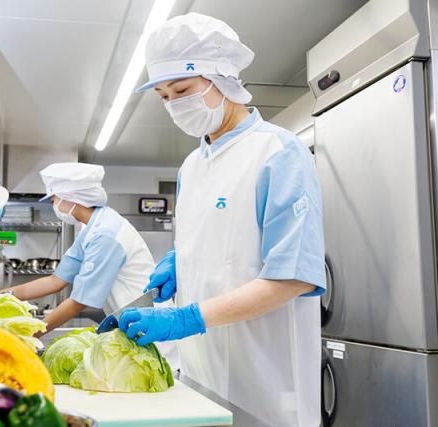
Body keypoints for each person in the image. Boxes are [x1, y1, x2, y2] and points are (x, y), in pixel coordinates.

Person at [117, 13, 326, 427]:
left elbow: (294, 278)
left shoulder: (278, 153)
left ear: (223, 78)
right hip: (200, 377)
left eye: (182, 89)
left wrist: (185, 319)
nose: (173, 104)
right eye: (163, 96)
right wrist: (182, 262)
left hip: (266, 383)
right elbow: (214, 242)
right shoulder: (191, 166)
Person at [0, 162, 158, 334]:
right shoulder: (91, 230)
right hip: (132, 321)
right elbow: (55, 281)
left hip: (151, 327)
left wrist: (32, 334)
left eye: (54, 200)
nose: (53, 205)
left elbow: (79, 302)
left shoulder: (105, 234)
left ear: (69, 196)